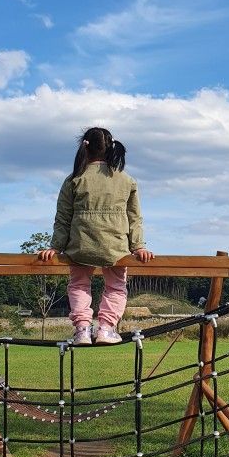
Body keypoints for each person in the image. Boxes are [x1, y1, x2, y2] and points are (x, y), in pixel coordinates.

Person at [39, 126, 154, 344]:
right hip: (116, 247)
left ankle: (83, 329)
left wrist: (55, 246)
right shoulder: (126, 180)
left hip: (80, 245)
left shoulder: (74, 178)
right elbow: (134, 218)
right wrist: (138, 246)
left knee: (79, 285)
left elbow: (63, 217)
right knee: (116, 287)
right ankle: (106, 328)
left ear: (86, 147)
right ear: (111, 148)